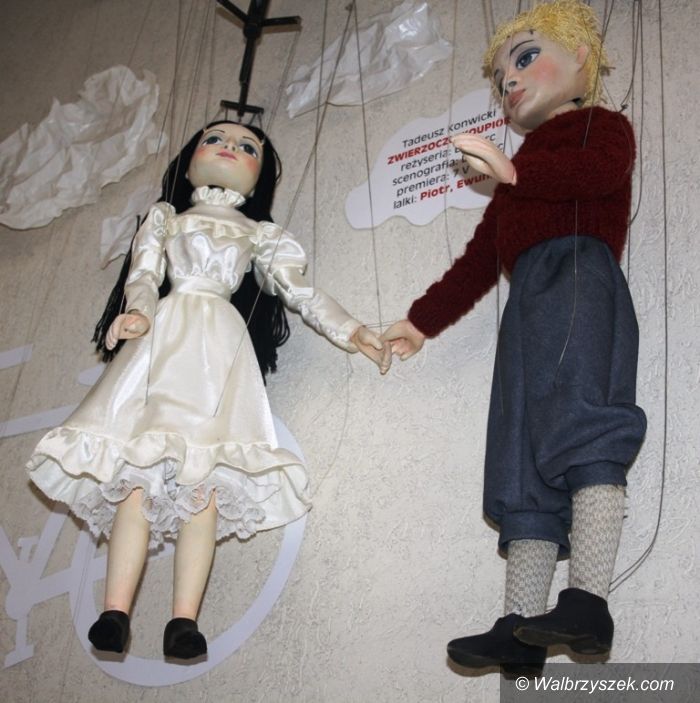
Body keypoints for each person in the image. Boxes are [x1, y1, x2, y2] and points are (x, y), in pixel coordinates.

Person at [27, 120, 390, 660]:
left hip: (219, 348)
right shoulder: (166, 219)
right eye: (214, 140)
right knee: (135, 480)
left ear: (260, 177)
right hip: (164, 338)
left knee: (206, 487)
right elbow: (143, 276)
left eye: (248, 148)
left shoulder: (258, 234)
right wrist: (137, 313)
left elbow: (299, 291)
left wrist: (352, 330)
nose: (229, 148)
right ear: (190, 158)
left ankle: (184, 621)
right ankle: (114, 611)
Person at [382, 0, 645, 677]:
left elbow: (599, 174)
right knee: (520, 458)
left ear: (580, 57)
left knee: (584, 425)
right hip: (527, 304)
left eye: (525, 59)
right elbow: (479, 259)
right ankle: (519, 629)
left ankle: (587, 601)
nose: (511, 82)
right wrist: (421, 320)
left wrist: (514, 172)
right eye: (501, 79)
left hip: (578, 277)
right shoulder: (515, 174)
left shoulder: (600, 127)